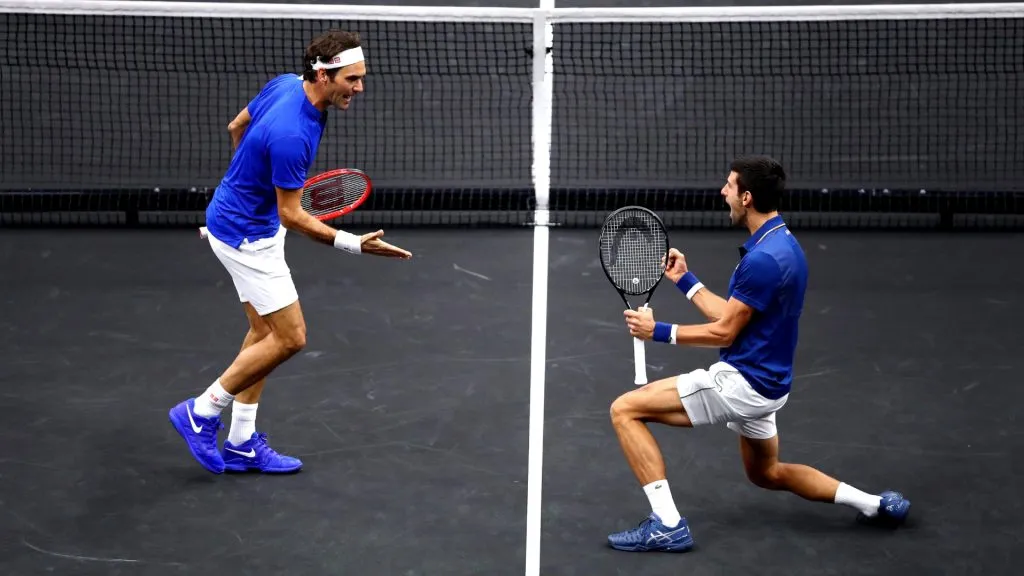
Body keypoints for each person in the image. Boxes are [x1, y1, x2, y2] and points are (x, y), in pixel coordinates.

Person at [609, 155, 910, 552]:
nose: (723, 191)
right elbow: (736, 316)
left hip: (742, 383)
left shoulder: (762, 261)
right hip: (771, 386)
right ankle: (876, 505)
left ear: (747, 197)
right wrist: (685, 280)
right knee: (766, 473)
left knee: (625, 410)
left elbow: (725, 330)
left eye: (729, 185)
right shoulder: (783, 245)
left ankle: (667, 524)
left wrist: (658, 332)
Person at [169, 29, 412, 475]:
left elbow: (236, 127)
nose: (359, 88)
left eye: (361, 78)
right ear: (323, 75)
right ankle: (201, 411)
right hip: (248, 238)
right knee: (291, 338)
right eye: (352, 79)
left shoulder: (284, 83)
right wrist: (354, 244)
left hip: (235, 215)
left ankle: (241, 442)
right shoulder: (293, 135)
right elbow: (292, 216)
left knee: (263, 334)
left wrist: (247, 184)